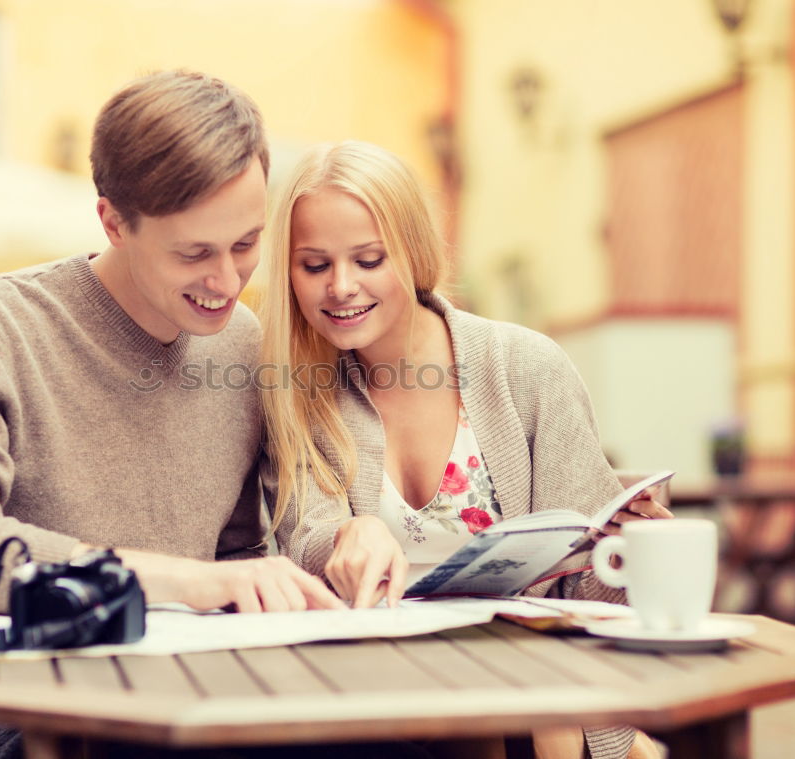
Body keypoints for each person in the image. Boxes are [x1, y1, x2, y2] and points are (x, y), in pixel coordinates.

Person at [0, 70, 342, 759]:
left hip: (195, 701)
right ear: (113, 222)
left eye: (245, 244)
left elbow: (239, 550)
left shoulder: (245, 347)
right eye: (194, 253)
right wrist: (179, 580)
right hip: (20, 719)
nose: (226, 281)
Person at [259, 140, 671, 759]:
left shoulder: (526, 368)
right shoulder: (300, 392)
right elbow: (307, 536)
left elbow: (594, 586)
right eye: (314, 266)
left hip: (528, 706)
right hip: (378, 708)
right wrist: (346, 538)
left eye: (369, 259)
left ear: (414, 252)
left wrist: (636, 550)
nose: (341, 287)